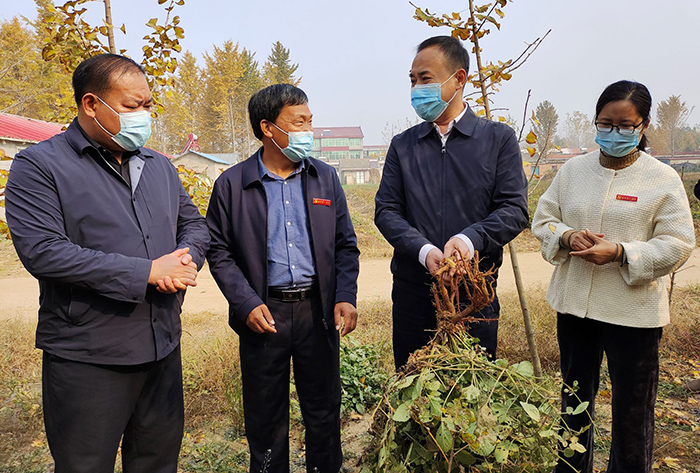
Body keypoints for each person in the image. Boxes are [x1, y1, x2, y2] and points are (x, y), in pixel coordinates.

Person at [4, 54, 210, 473]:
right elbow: (43, 250)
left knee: (157, 462)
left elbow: (194, 225)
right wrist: (147, 272)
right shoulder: (40, 166)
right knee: (85, 465)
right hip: (90, 355)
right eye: (131, 107)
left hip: (162, 345)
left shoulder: (158, 166)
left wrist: (185, 260)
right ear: (91, 104)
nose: (143, 116)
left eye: (148, 106)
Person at [532, 80, 695, 473]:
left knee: (632, 413)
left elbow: (678, 242)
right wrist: (567, 235)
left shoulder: (662, 179)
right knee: (574, 403)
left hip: (633, 315)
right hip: (575, 310)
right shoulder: (574, 170)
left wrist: (623, 253)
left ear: (643, 126)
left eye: (625, 126)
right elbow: (543, 219)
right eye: (605, 124)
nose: (614, 133)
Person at [206, 84, 360, 473]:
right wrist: (245, 302)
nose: (309, 129)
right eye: (299, 122)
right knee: (265, 414)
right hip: (263, 314)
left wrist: (345, 294)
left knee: (323, 410)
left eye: (310, 120)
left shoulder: (324, 178)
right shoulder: (232, 184)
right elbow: (219, 252)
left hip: (317, 311)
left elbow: (345, 244)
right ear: (268, 128)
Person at [374, 35, 528, 369]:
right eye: (412, 80)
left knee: (470, 393)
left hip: (474, 294)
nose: (416, 88)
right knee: (413, 389)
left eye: (425, 79)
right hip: (415, 292)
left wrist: (468, 240)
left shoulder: (497, 140)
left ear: (458, 79)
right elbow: (386, 210)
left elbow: (514, 209)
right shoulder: (403, 146)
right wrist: (424, 251)